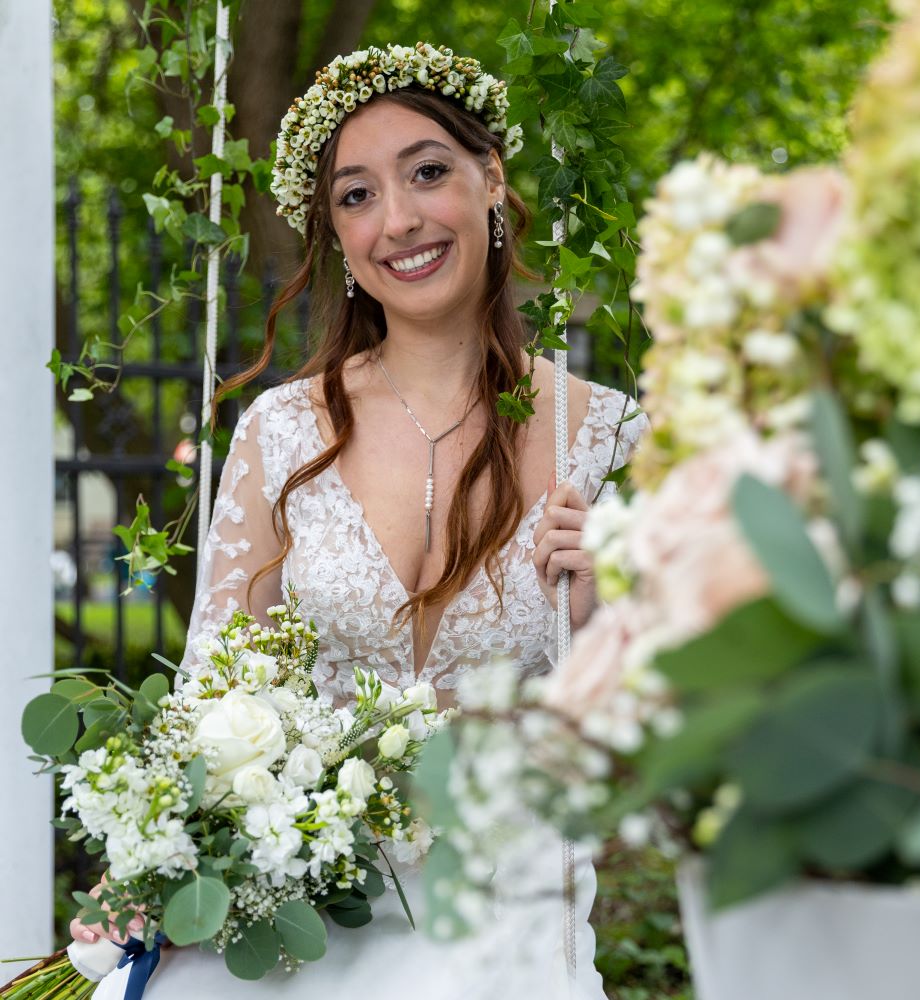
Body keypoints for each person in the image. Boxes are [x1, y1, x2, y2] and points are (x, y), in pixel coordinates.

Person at [70, 43, 646, 1000]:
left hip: (496, 906)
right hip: (287, 902)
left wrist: (596, 618)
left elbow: (653, 747)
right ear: (335, 233)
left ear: (492, 180)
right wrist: (155, 860)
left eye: (427, 172)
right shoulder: (283, 429)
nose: (399, 220)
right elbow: (213, 691)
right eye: (356, 195)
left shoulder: (606, 436)